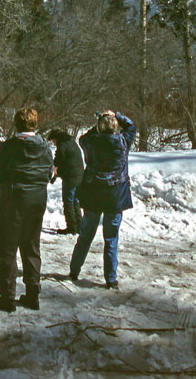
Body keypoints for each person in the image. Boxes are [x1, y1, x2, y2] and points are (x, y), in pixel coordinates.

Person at [0, 107, 53, 313]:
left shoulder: (10, 147)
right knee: (31, 246)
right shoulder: (45, 148)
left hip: (12, 202)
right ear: (35, 124)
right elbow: (50, 173)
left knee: (8, 248)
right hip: (37, 201)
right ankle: (33, 295)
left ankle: (7, 297)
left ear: (17, 124)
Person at [69, 109, 137, 289]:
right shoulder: (123, 142)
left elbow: (82, 138)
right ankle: (111, 279)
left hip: (93, 194)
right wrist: (116, 114)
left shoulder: (90, 142)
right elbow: (131, 126)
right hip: (115, 196)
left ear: (98, 128)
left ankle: (74, 271)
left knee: (85, 236)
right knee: (111, 238)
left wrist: (99, 121)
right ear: (116, 128)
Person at [47, 129, 84, 234]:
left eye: (53, 141)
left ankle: (71, 227)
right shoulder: (72, 142)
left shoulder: (62, 145)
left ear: (56, 138)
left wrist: (54, 172)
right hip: (79, 176)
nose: (53, 143)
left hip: (70, 178)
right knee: (75, 201)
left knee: (68, 202)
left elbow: (58, 161)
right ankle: (79, 226)